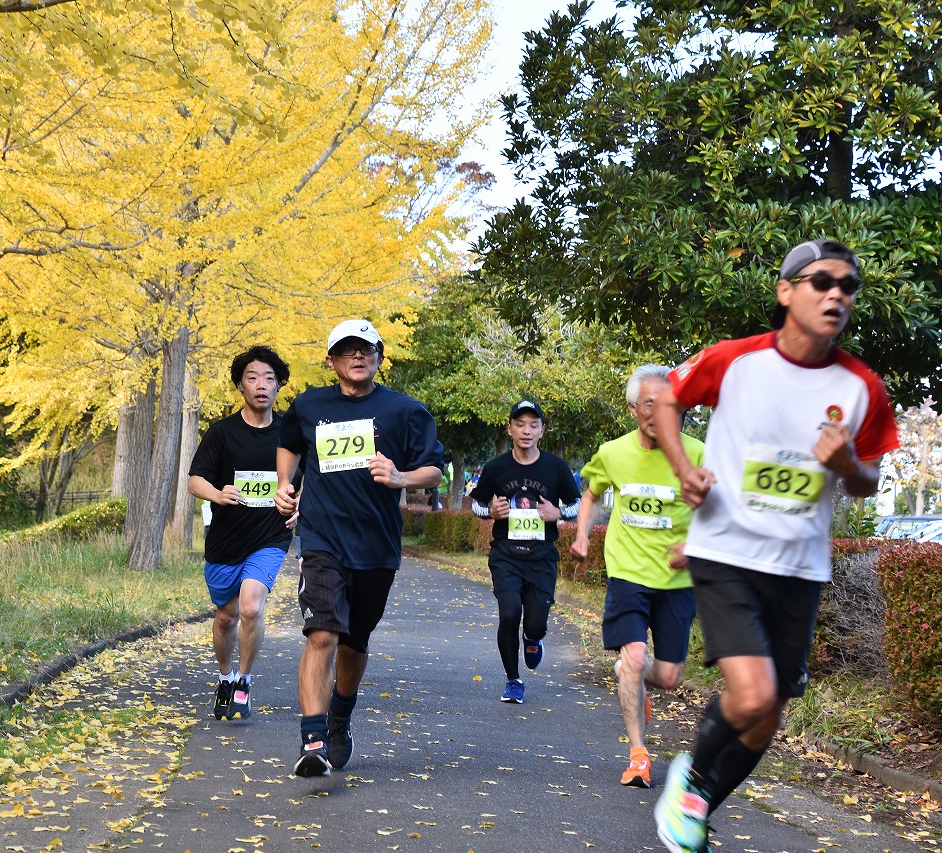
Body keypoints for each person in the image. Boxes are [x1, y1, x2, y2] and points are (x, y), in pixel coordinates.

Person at [650, 239, 899, 853]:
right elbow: (665, 399)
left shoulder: (862, 385)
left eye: (848, 285)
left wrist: (845, 463)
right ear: (786, 291)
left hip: (801, 566)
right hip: (727, 551)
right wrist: (683, 466)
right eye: (822, 281)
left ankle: (699, 804)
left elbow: (867, 482)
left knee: (769, 714)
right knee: (753, 693)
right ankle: (690, 778)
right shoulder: (736, 361)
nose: (837, 293)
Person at [275, 319, 443, 777]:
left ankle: (340, 717)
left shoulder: (405, 411)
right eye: (346, 350)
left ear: (379, 357)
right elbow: (289, 444)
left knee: (353, 642)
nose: (357, 356)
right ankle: (312, 740)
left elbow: (433, 469)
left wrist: (402, 478)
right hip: (322, 539)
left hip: (377, 545)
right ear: (331, 360)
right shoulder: (309, 405)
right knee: (322, 632)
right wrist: (285, 483)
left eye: (365, 349)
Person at [570, 364, 705, 789]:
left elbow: (716, 508)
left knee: (666, 676)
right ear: (633, 409)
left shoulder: (698, 453)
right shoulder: (613, 452)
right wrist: (581, 535)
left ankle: (633, 678)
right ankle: (638, 754)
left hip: (677, 580)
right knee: (632, 656)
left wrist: (694, 545)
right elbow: (589, 492)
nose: (661, 411)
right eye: (651, 403)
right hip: (628, 572)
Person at [188, 345, 295, 721]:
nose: (261, 385)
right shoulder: (222, 433)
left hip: (271, 535)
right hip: (225, 539)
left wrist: (303, 508)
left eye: (269, 378)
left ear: (279, 386)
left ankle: (245, 682)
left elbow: (311, 478)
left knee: (251, 607)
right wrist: (218, 494)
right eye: (252, 377)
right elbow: (194, 479)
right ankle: (225, 677)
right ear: (240, 386)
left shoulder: (289, 432)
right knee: (226, 616)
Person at [469, 400, 581, 704]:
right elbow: (476, 504)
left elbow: (578, 505)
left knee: (534, 623)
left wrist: (556, 512)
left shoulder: (556, 467)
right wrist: (490, 509)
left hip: (542, 557)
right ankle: (513, 680)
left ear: (542, 431)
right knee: (509, 614)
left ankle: (532, 639)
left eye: (533, 424)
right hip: (505, 555)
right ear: (510, 428)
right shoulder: (496, 467)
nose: (526, 430)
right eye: (520, 424)